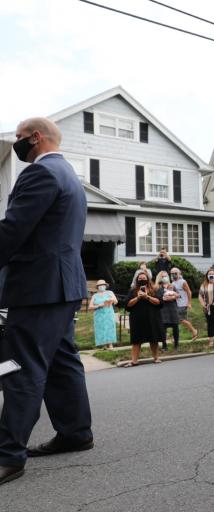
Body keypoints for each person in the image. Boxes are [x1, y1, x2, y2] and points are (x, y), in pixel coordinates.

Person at [0, 117, 93, 486]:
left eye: (19, 138)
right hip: (63, 286)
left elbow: (13, 229)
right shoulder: (69, 174)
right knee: (61, 360)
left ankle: (8, 455)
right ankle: (75, 432)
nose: (17, 144)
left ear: (35, 138)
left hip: (38, 287)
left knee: (20, 364)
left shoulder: (40, 174)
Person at [125, 269, 164, 366]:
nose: (142, 279)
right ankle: (134, 360)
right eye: (140, 278)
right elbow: (127, 305)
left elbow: (159, 302)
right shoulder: (133, 291)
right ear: (137, 280)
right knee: (136, 340)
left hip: (152, 318)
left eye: (144, 278)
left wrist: (147, 296)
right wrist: (137, 297)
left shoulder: (155, 289)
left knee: (153, 338)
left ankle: (156, 358)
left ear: (148, 279)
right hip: (137, 319)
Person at [89, 279, 118, 350]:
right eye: (99, 285)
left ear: (105, 286)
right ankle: (103, 344)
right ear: (97, 287)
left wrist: (111, 300)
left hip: (109, 313)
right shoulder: (95, 296)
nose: (101, 286)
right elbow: (90, 307)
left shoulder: (110, 292)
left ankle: (110, 344)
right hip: (98, 314)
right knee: (100, 328)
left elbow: (116, 301)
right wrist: (99, 305)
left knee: (110, 327)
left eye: (103, 285)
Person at [171, 267, 198, 340]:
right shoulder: (173, 283)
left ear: (179, 273)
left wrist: (189, 303)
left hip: (183, 304)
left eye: (175, 273)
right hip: (177, 304)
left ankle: (194, 331)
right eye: (172, 273)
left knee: (180, 319)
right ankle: (192, 333)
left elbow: (189, 292)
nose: (173, 275)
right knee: (181, 320)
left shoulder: (183, 282)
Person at [156, 271, 180, 352]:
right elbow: (162, 298)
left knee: (175, 327)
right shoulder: (158, 288)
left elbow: (178, 295)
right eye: (162, 276)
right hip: (163, 310)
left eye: (166, 276)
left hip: (173, 309)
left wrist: (172, 297)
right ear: (160, 278)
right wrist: (172, 297)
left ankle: (176, 345)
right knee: (163, 328)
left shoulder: (172, 286)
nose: (165, 277)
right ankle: (164, 345)